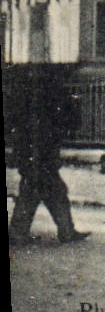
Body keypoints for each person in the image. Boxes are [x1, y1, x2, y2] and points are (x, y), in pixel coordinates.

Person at [8, 68, 91, 246]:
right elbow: (62, 124)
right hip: (40, 157)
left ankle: (22, 232)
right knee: (49, 192)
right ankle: (64, 231)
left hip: (35, 156)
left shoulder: (30, 99)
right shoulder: (47, 99)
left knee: (39, 193)